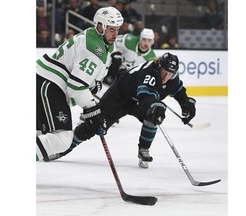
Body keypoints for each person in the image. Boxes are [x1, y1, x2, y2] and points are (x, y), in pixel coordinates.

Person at [59, 52, 196, 169]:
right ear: (159, 66)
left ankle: (143, 150)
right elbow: (145, 97)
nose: (166, 77)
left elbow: (178, 90)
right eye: (164, 72)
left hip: (138, 100)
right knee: (95, 124)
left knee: (154, 115)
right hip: (119, 96)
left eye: (171, 74)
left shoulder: (172, 77)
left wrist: (185, 103)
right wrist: (155, 105)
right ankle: (63, 148)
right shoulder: (148, 72)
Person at [36, 6, 124, 162]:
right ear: (99, 26)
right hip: (50, 85)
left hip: (45, 81)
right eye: (112, 30)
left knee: (40, 135)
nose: (115, 35)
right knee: (62, 138)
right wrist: (92, 108)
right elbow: (76, 86)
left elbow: (84, 78)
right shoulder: (94, 49)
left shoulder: (95, 39)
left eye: (117, 29)